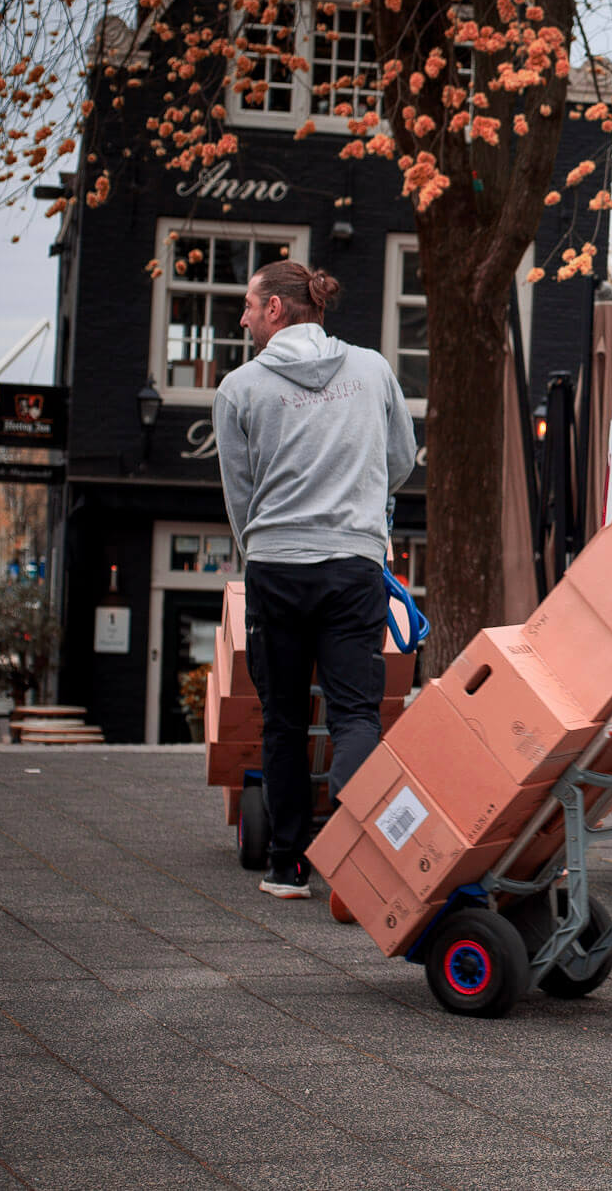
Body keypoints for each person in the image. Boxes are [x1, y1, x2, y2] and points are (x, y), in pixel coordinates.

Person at [214, 260, 416, 900]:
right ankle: (354, 860)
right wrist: (360, 503)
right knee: (356, 715)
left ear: (275, 309)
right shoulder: (373, 370)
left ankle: (287, 868)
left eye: (249, 306)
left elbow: (239, 494)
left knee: (282, 721)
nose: (243, 317)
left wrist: (263, 544)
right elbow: (401, 460)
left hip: (276, 569)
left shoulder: (239, 388)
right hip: (353, 565)